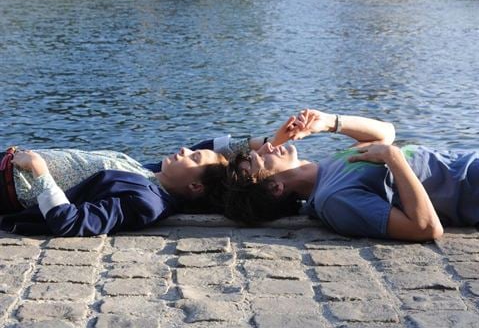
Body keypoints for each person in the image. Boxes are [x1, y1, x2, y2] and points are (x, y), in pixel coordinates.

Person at [0, 119, 297, 237]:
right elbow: (214, 148)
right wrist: (271, 139)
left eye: (193, 157)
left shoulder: (147, 201)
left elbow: (71, 223)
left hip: (8, 186)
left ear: (195, 186)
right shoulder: (154, 173)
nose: (185, 149)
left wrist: (39, 171)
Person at [224, 109, 479, 242]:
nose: (267, 146)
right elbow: (425, 228)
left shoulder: (328, 166)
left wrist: (330, 123)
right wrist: (395, 159)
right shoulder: (334, 201)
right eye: (258, 158)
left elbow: (385, 133)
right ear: (275, 188)